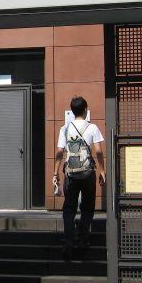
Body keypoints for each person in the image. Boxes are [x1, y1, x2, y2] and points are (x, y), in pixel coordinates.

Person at [54, 96, 106, 259]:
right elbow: (98, 151)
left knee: (69, 209)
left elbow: (60, 152)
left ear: (72, 111)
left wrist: (55, 173)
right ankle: (83, 240)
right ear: (85, 110)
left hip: (71, 174)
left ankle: (68, 241)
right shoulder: (92, 127)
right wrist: (102, 170)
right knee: (87, 207)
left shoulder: (65, 128)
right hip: (88, 173)